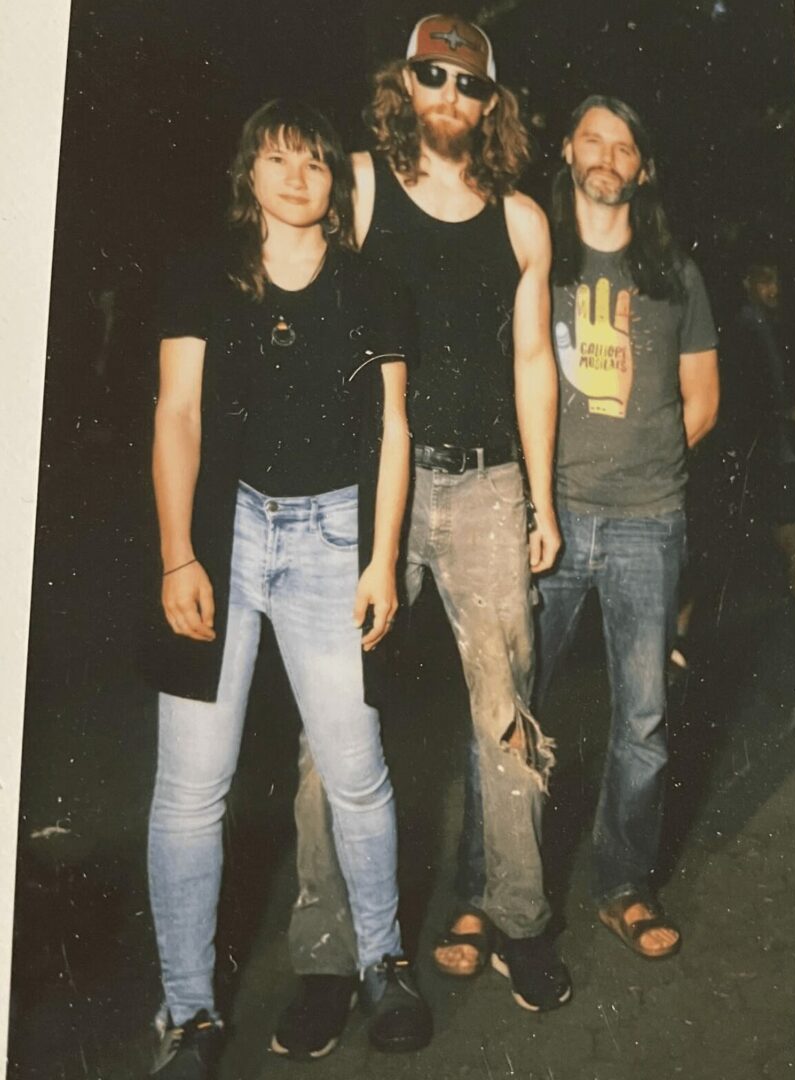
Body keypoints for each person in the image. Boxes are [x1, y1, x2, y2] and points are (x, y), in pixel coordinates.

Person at [284, 13, 572, 1020]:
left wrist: (541, 499)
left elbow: (533, 364)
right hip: (373, 492)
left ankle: (521, 922)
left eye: (469, 83)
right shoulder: (359, 188)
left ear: (492, 104)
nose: (450, 95)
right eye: (433, 76)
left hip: (489, 488)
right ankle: (328, 961)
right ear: (404, 84)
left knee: (508, 716)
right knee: (332, 721)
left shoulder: (524, 221)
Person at [142, 99, 432, 1078]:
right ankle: (188, 1016)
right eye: (278, 159)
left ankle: (385, 963)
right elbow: (177, 414)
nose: (298, 177)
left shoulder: (372, 286)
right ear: (249, 173)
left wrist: (381, 559)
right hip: (221, 537)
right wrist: (178, 555)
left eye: (315, 162)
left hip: (332, 538)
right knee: (191, 789)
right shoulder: (202, 275)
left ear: (335, 182)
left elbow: (392, 430)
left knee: (357, 770)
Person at [540, 94, 719, 959]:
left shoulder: (674, 273)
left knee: (642, 718)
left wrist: (638, 463)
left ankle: (623, 885)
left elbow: (703, 400)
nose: (607, 156)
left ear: (642, 168)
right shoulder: (536, 257)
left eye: (624, 146)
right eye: (593, 139)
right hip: (549, 517)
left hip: (648, 522)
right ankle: (493, 890)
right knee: (509, 707)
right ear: (567, 151)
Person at [725, 258, 795, 690]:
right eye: (765, 279)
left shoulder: (773, 327)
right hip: (771, 463)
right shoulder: (742, 334)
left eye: (777, 278)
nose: (774, 287)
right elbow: (742, 409)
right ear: (747, 281)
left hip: (785, 459)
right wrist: (788, 415)